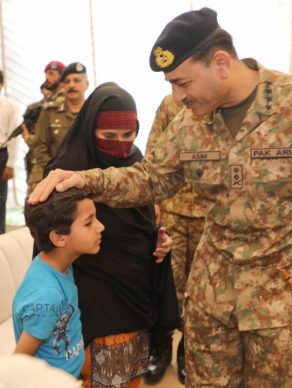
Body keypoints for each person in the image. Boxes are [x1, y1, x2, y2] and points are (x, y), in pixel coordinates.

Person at [29, 7, 292, 387]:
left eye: (182, 82)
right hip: (212, 301)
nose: (177, 97)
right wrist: (82, 178)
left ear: (221, 63)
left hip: (284, 303)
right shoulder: (190, 123)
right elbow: (151, 179)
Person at [44, 82, 179, 388]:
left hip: (136, 296)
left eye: (128, 135)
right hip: (92, 301)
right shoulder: (65, 172)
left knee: (132, 376)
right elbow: (51, 241)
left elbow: (145, 221)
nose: (120, 145)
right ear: (90, 128)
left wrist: (158, 239)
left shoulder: (135, 163)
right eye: (109, 137)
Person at [144, 94, 205, 385]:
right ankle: (162, 346)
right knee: (170, 284)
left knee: (201, 290)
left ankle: (186, 351)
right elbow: (154, 155)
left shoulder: (223, 103)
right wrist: (153, 202)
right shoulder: (170, 104)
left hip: (210, 215)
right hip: (174, 211)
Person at [13, 188, 105, 378]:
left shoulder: (58, 264)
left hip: (72, 371)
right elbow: (19, 360)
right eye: (89, 223)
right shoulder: (47, 295)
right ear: (59, 237)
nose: (101, 226)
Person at [29, 62, 89, 192]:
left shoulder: (93, 112)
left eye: (77, 80)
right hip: (53, 178)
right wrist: (57, 173)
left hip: (86, 179)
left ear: (86, 84)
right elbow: (39, 147)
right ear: (62, 86)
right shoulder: (49, 112)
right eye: (67, 82)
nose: (71, 85)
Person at [0, 70, 19, 234]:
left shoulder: (9, 106)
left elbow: (14, 137)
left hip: (1, 155)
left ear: (1, 85)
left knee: (0, 199)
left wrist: (10, 164)